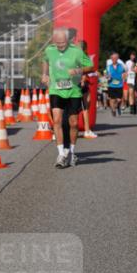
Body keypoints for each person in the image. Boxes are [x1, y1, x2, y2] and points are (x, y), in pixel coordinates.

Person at [41, 28, 93, 168]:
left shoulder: (76, 51)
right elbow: (45, 61)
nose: (60, 46)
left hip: (73, 91)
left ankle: (71, 151)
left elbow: (90, 66)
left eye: (63, 43)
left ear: (68, 40)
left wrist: (77, 70)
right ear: (53, 41)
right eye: (57, 43)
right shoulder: (49, 50)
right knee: (57, 120)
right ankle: (61, 154)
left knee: (74, 123)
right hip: (56, 90)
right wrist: (45, 74)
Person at [79, 41, 99, 139]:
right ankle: (87, 131)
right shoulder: (81, 56)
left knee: (85, 106)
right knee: (85, 107)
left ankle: (87, 130)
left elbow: (89, 70)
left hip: (83, 83)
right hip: (80, 84)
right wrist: (83, 79)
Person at [106, 52, 126, 117]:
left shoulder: (121, 66)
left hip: (119, 85)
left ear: (117, 58)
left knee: (119, 99)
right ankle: (113, 110)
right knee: (112, 99)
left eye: (115, 58)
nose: (114, 59)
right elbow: (106, 74)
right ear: (111, 59)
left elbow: (125, 72)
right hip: (111, 85)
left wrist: (124, 77)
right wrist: (107, 76)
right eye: (113, 58)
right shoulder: (109, 67)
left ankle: (117, 106)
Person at [124, 51, 137, 115]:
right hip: (130, 79)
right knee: (131, 93)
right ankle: (131, 108)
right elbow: (126, 71)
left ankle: (135, 105)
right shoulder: (127, 62)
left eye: (134, 55)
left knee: (135, 95)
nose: (132, 57)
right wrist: (125, 77)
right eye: (131, 55)